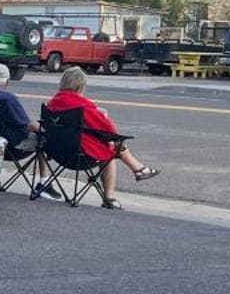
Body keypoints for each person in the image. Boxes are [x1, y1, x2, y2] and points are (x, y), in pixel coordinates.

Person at [47, 64, 159, 209]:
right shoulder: (82, 106)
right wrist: (102, 116)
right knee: (110, 149)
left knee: (111, 146)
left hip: (57, 152)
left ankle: (139, 169)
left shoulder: (52, 103)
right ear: (81, 86)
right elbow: (109, 130)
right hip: (79, 156)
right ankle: (110, 197)